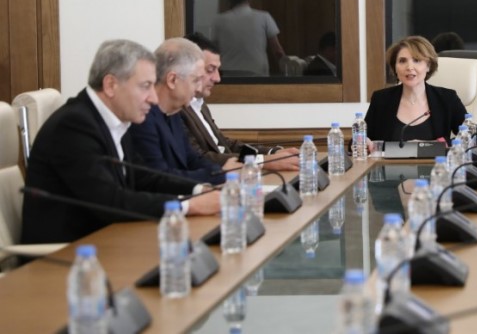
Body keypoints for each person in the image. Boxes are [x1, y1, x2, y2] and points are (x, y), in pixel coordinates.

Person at [21, 40, 220, 245]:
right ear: (110, 85)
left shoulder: (115, 121)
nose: (153, 98)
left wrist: (200, 190)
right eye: (145, 86)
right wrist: (189, 206)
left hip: (109, 240)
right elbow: (110, 201)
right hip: (66, 253)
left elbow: (146, 177)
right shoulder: (74, 126)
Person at [181, 32, 299, 170]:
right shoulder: (176, 109)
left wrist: (271, 153)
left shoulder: (200, 104)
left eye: (218, 70)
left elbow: (225, 145)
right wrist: (263, 161)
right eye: (210, 70)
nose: (217, 78)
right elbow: (199, 158)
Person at [130, 38, 227, 185]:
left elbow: (193, 159)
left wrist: (221, 173)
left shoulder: (173, 113)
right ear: (172, 80)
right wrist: (218, 176)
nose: (198, 88)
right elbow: (158, 178)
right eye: (195, 80)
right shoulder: (142, 118)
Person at [364, 35, 467, 146]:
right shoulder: (381, 99)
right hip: (389, 159)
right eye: (402, 61)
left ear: (428, 66)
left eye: (416, 60)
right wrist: (364, 143)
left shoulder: (447, 99)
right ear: (395, 68)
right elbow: (359, 140)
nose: (409, 67)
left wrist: (433, 145)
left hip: (436, 158)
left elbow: (475, 138)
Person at [211, 0, 286, 77]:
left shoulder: (219, 20)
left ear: (229, 0)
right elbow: (277, 49)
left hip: (229, 73)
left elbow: (214, 49)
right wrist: (286, 69)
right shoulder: (264, 17)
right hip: (257, 72)